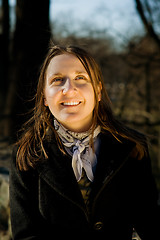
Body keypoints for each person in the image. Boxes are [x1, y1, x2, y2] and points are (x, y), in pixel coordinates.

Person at [9, 45, 160, 240]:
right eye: (57, 80)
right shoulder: (26, 155)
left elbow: (150, 222)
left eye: (80, 78)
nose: (69, 88)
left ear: (98, 91)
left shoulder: (132, 148)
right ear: (44, 96)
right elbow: (26, 235)